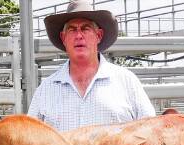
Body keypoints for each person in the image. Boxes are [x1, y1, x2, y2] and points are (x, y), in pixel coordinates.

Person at [28, 0, 156, 132]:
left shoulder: (126, 82)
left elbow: (151, 132)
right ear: (63, 37)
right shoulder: (46, 90)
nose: (79, 35)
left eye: (85, 28)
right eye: (72, 30)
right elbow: (28, 140)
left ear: (99, 35)